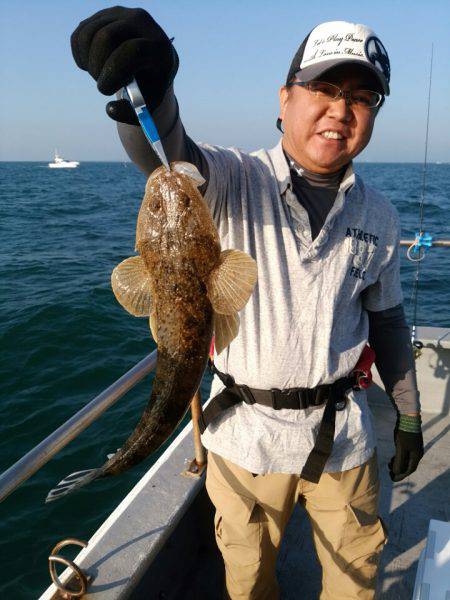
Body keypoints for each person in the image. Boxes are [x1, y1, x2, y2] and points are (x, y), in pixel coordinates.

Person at [71, 8, 425, 599]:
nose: (342, 109)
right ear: (285, 99)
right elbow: (164, 152)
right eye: (325, 88)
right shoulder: (233, 179)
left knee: (358, 575)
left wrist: (408, 415)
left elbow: (387, 322)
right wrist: (152, 93)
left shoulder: (381, 217)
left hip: (345, 436)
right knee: (249, 578)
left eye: (364, 96)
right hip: (245, 439)